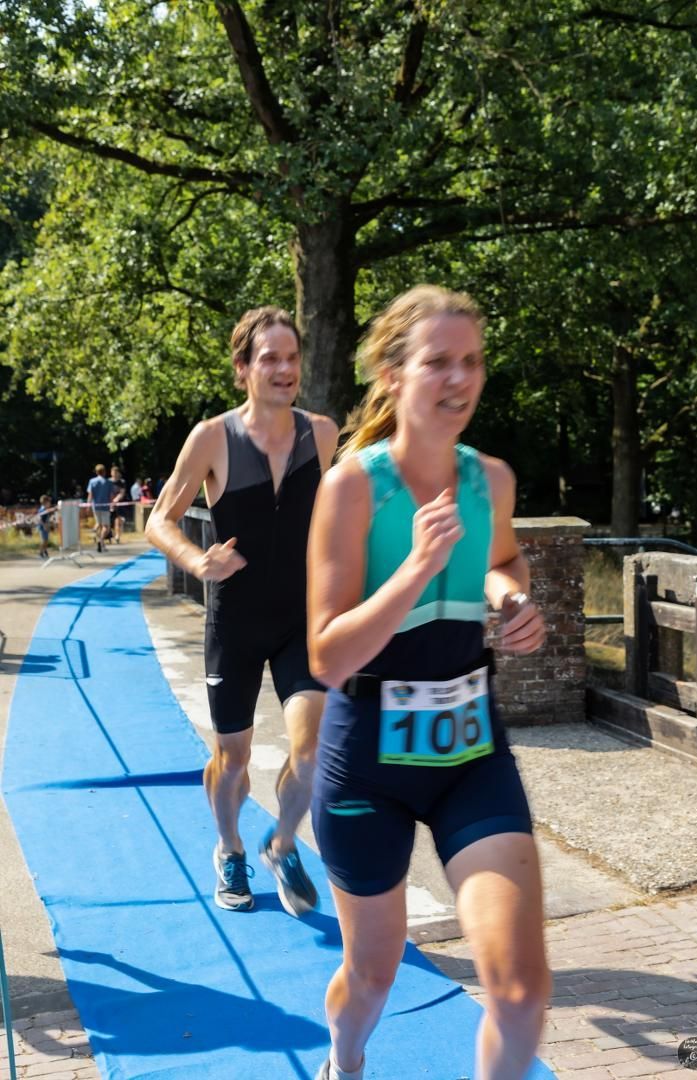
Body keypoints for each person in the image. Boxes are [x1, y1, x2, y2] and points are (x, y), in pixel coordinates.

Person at [307, 285, 550, 1080]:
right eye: (438, 361)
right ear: (392, 373)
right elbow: (327, 658)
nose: (459, 378)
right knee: (373, 976)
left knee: (521, 994)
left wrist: (509, 598)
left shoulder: (492, 481)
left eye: (471, 361)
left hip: (469, 754)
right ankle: (345, 1061)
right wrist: (416, 567)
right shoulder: (352, 487)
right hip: (365, 764)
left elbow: (503, 559)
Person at [146, 305, 338, 915]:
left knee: (311, 751)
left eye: (292, 357)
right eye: (269, 358)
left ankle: (282, 844)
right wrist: (197, 561)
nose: (284, 369)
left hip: (300, 621)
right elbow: (160, 520)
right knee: (234, 759)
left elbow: (334, 519)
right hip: (234, 623)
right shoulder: (212, 437)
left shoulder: (322, 433)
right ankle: (229, 847)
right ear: (242, 368)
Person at [86, 464, 114, 552]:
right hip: (105, 507)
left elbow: (90, 495)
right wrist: (112, 505)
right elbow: (111, 495)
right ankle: (101, 540)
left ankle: (102, 544)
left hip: (96, 506)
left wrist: (88, 505)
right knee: (106, 527)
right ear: (104, 472)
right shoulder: (108, 482)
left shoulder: (92, 481)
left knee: (99, 525)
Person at [109, 465, 128, 544]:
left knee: (118, 521)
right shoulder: (108, 482)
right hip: (109, 504)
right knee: (109, 522)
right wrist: (111, 501)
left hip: (119, 504)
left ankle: (117, 536)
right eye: (113, 472)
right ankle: (111, 535)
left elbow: (122, 493)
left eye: (116, 472)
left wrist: (116, 499)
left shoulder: (122, 482)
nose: (114, 474)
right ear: (111, 473)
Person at [36, 494, 55, 559]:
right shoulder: (42, 510)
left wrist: (49, 525)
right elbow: (40, 519)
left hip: (46, 527)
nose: (50, 504)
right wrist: (44, 526)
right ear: (45, 503)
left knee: (46, 540)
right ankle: (40, 553)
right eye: (49, 502)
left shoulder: (46, 509)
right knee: (44, 541)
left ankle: (44, 551)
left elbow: (47, 518)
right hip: (42, 527)